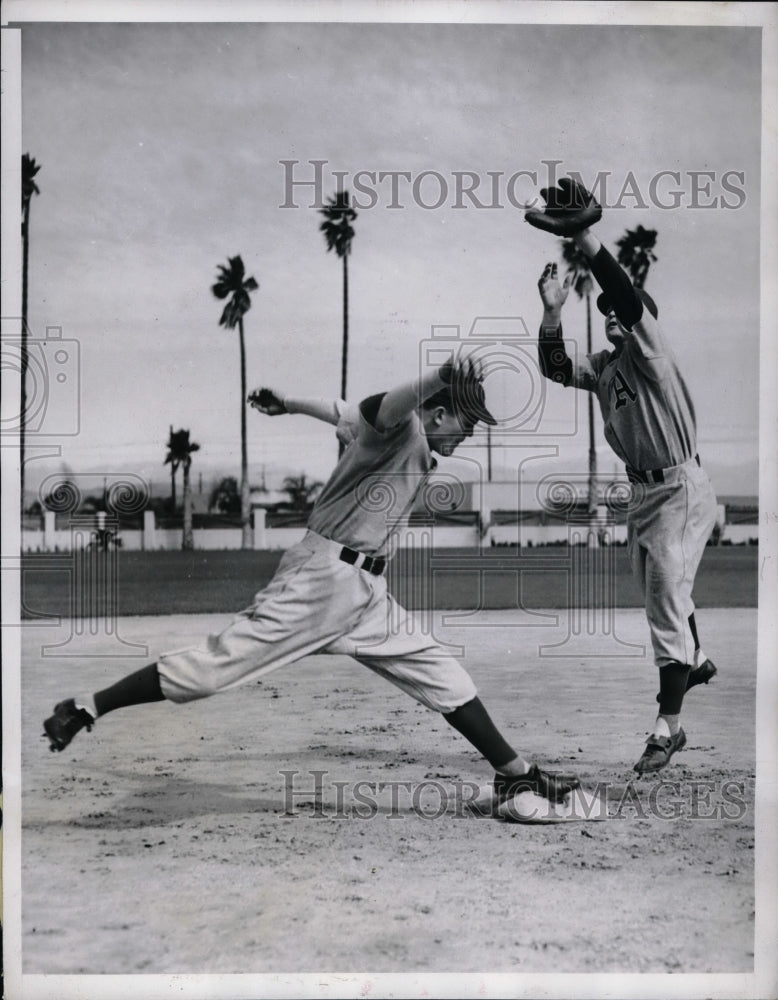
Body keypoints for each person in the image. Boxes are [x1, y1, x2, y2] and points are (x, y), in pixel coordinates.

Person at [43, 355, 580, 818]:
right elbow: (377, 407)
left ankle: (515, 774)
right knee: (212, 670)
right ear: (438, 410)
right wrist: (439, 373)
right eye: (468, 419)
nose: (471, 432)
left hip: (367, 594)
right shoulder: (402, 427)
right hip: (320, 581)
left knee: (443, 671)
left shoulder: (409, 438)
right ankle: (86, 706)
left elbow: (341, 410)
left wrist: (289, 403)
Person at [529, 178, 718, 774]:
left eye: (620, 314)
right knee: (662, 589)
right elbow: (557, 368)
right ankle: (699, 656)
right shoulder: (608, 368)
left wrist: (584, 238)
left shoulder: (650, 354)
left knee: (665, 586)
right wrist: (553, 311)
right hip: (645, 494)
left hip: (680, 485)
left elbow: (627, 299)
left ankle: (669, 727)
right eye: (605, 313)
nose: (611, 315)